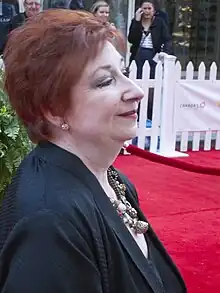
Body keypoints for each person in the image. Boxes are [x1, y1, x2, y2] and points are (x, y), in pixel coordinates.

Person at [0, 9, 186, 293]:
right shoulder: (49, 222)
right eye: (105, 81)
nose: (137, 91)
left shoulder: (115, 181)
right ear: (52, 109)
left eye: (123, 72)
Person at [128, 0, 172, 79]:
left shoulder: (159, 22)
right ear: (140, 10)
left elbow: (167, 39)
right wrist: (137, 22)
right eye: (144, 8)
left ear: (154, 10)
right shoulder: (136, 22)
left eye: (149, 8)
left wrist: (164, 53)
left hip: (153, 55)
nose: (147, 11)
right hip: (138, 55)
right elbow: (131, 39)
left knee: (152, 79)